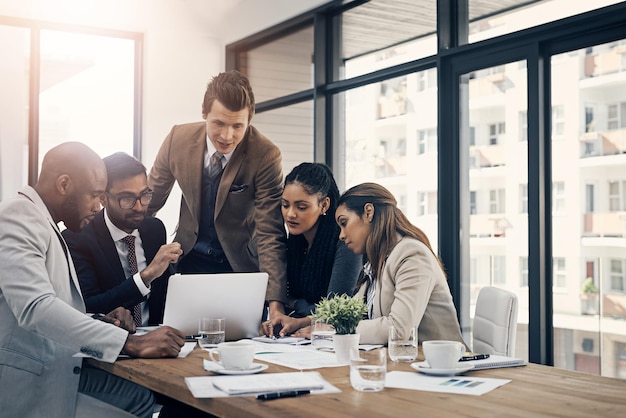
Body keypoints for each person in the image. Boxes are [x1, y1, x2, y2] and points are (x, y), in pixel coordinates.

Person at [0, 142, 185, 418]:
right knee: (139, 400)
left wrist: (100, 318)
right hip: (30, 379)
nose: (99, 206)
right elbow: (35, 308)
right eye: (96, 195)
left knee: (143, 398)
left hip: (57, 366)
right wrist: (128, 343)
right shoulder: (19, 215)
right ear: (64, 184)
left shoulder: (44, 222)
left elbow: (63, 305)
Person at [147, 70, 288, 320]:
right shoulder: (177, 140)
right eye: (219, 124)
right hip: (188, 263)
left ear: (250, 120)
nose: (227, 136)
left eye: (237, 126)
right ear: (204, 112)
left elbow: (270, 232)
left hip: (239, 269)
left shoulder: (265, 155)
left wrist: (275, 304)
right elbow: (147, 204)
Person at [333, 182, 465, 345]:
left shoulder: (411, 254)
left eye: (344, 223)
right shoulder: (377, 262)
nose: (341, 235)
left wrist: (337, 330)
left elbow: (399, 329)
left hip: (440, 364)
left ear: (368, 212)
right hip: (402, 363)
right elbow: (354, 316)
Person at [63, 152, 181, 327]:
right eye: (127, 199)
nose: (139, 206)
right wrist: (146, 276)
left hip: (157, 336)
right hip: (111, 342)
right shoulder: (77, 238)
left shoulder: (155, 229)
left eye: (144, 195)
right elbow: (88, 306)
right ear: (103, 198)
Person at [261, 163, 362, 337]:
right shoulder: (294, 241)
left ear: (324, 205)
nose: (291, 214)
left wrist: (296, 307)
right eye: (285, 205)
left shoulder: (345, 242)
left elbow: (336, 310)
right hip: (300, 340)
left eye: (301, 207)